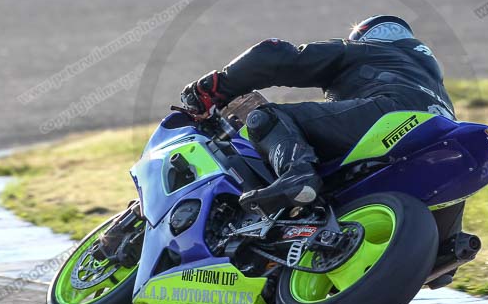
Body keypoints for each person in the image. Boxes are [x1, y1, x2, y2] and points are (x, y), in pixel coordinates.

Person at [181, 15, 456, 216]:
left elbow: (274, 55)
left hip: (390, 114)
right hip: (440, 134)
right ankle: (446, 247)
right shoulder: (436, 90)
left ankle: (296, 176)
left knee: (266, 117)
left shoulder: (365, 50)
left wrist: (214, 86)